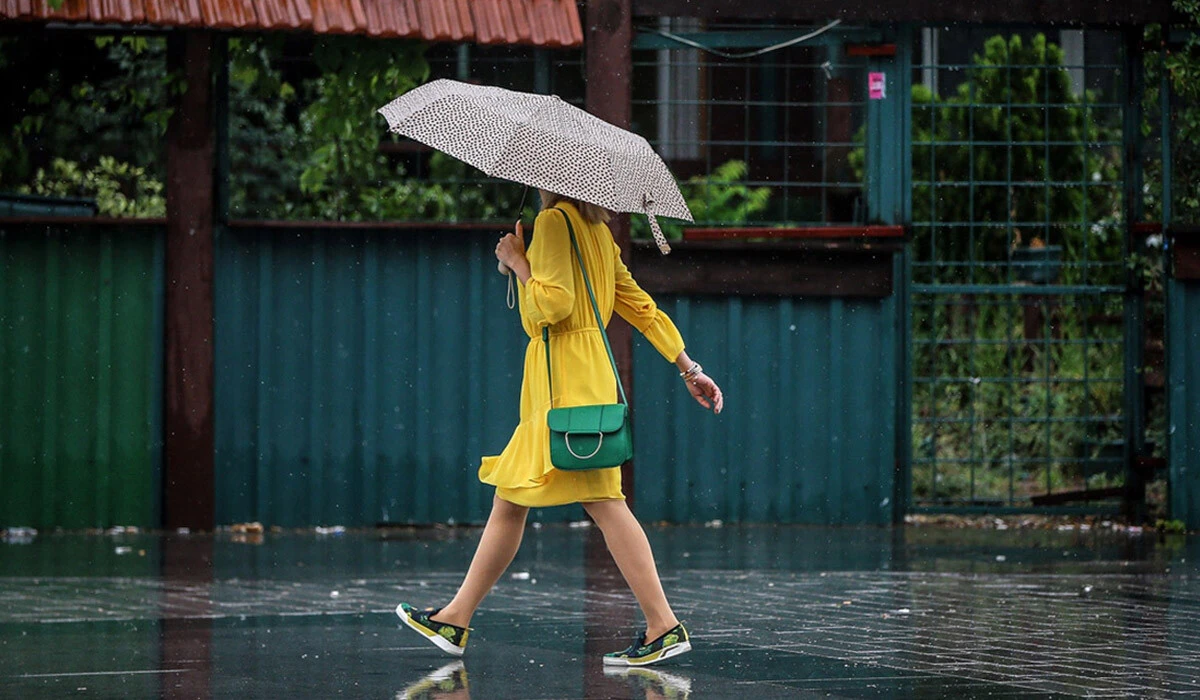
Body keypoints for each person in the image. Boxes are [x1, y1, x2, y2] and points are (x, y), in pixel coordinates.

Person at [397, 191, 724, 667]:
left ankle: (664, 625)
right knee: (518, 495)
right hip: (583, 379)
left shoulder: (552, 223)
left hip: (561, 383)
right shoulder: (599, 232)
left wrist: (518, 261)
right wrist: (689, 367)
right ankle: (456, 617)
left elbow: (550, 308)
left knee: (598, 501)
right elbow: (641, 308)